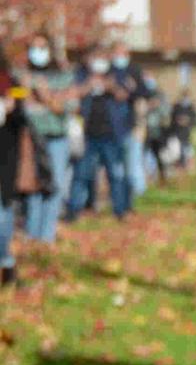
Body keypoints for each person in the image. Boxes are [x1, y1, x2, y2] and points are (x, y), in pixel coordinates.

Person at [19, 33, 74, 245]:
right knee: (33, 186)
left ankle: (46, 236)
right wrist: (21, 91)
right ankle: (31, 236)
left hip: (56, 139)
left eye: (42, 47)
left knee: (55, 185)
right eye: (34, 47)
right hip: (30, 139)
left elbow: (65, 106)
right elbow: (13, 99)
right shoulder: (22, 75)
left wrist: (46, 95)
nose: (38, 52)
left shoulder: (62, 76)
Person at [67, 48, 133, 221]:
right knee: (81, 175)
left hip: (111, 136)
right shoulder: (81, 75)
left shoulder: (116, 75)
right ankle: (74, 211)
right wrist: (89, 85)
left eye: (102, 58)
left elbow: (124, 95)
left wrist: (110, 86)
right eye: (95, 58)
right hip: (87, 135)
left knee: (116, 175)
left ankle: (120, 211)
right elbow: (73, 93)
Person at [0, 80, 50, 287]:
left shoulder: (11, 87)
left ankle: (8, 268)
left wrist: (11, 102)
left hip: (4, 172)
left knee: (3, 220)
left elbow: (21, 104)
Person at [108, 41, 152, 198]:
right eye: (118, 53)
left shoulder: (134, 70)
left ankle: (138, 197)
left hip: (130, 126)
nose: (121, 57)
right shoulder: (107, 71)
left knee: (133, 166)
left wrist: (132, 90)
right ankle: (120, 198)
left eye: (125, 54)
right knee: (116, 169)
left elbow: (146, 93)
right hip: (110, 128)